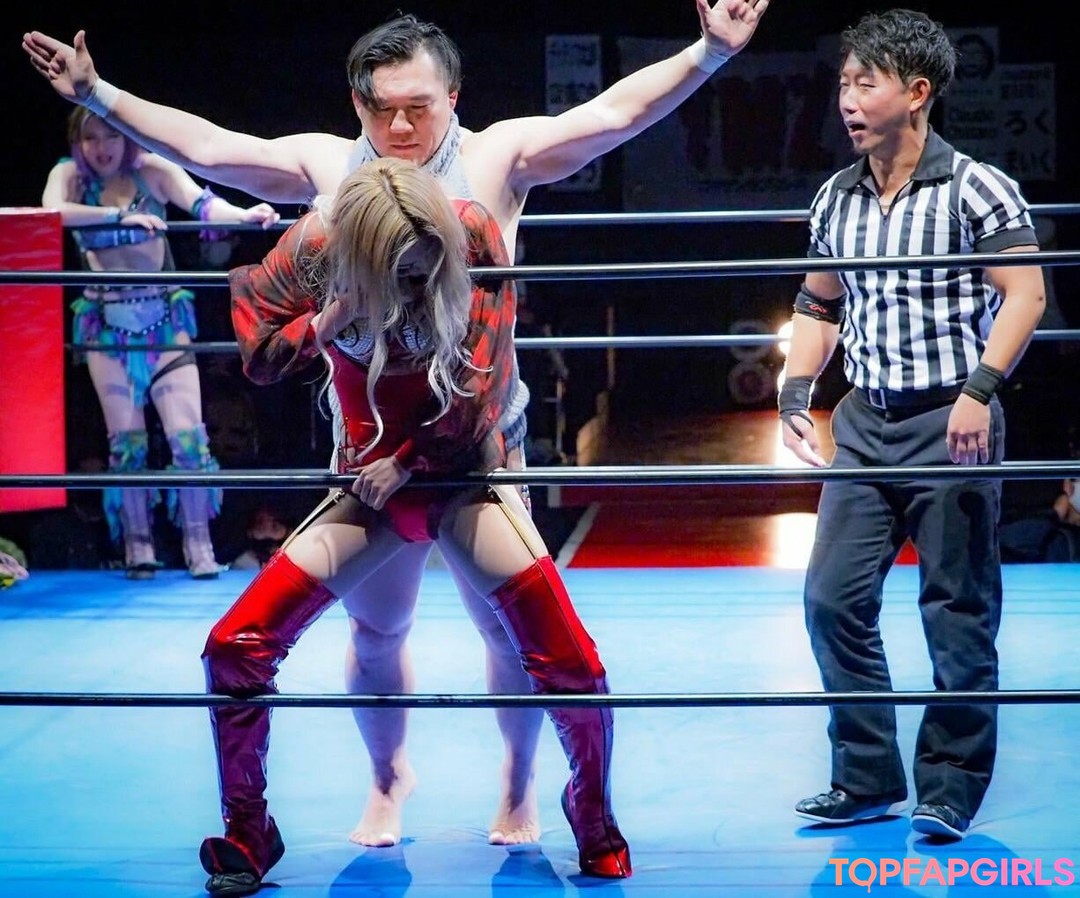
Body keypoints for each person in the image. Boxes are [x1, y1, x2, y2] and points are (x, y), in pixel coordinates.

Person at [23, 0, 770, 843]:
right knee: (377, 629)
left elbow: (612, 116)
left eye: (420, 106)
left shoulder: (494, 160)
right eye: (384, 109)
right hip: (369, 449)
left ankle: (518, 786)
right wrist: (98, 95)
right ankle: (387, 779)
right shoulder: (332, 168)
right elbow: (212, 148)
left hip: (480, 444)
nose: (402, 125)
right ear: (358, 104)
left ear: (453, 95)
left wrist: (708, 55)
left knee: (509, 633)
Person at [199, 157, 630, 895]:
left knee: (570, 660)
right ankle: (250, 830)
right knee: (234, 648)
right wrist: (332, 318)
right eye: (398, 276)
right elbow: (261, 357)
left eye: (426, 273)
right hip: (367, 485)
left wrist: (406, 460)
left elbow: (481, 387)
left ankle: (590, 810)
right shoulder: (316, 248)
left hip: (462, 475)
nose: (417, 290)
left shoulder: (468, 234)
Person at [777, 9, 1046, 842]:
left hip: (951, 421)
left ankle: (950, 786)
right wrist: (795, 392)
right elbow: (819, 302)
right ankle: (865, 777)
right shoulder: (836, 196)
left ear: (917, 92)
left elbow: (1026, 293)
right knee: (831, 599)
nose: (848, 100)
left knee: (956, 610)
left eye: (867, 83)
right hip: (866, 422)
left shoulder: (975, 187)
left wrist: (980, 391)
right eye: (844, 83)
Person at [42, 107, 280, 578]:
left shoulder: (151, 169)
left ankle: (199, 546)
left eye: (111, 135)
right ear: (77, 143)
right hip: (107, 327)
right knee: (126, 443)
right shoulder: (69, 176)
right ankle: (138, 547)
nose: (102, 147)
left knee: (188, 437)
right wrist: (119, 216)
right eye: (91, 138)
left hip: (164, 323)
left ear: (127, 137)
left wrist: (244, 214)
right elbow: (52, 212)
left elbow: (201, 204)